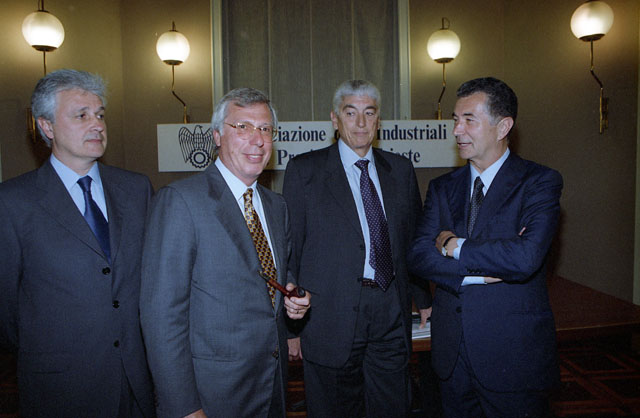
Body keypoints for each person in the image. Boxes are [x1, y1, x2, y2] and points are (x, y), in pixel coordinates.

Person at [139, 87, 311, 418]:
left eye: (265, 129)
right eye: (243, 127)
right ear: (217, 136)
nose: (257, 139)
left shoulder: (277, 207)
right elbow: (161, 318)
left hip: (272, 390)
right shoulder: (181, 201)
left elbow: (275, 275)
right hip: (212, 396)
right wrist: (184, 407)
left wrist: (292, 296)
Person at [0, 69, 155, 417]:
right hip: (61, 388)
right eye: (81, 116)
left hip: (136, 384)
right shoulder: (12, 202)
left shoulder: (137, 190)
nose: (96, 124)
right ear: (47, 126)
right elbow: (6, 312)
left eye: (100, 114)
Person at [408, 77, 563, 418]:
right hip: (451, 357)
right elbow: (418, 255)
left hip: (513, 356)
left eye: (469, 120)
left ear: (503, 126)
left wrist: (454, 246)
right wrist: (477, 275)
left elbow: (525, 257)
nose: (456, 130)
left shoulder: (539, 182)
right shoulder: (442, 187)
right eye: (455, 120)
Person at [283, 79, 422, 417]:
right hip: (329, 314)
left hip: (391, 309)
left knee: (393, 406)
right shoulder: (304, 171)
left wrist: (424, 299)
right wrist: (291, 328)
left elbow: (412, 240)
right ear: (334, 118)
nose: (361, 122)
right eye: (350, 113)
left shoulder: (400, 170)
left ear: (378, 120)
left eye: (369, 113)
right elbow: (291, 250)